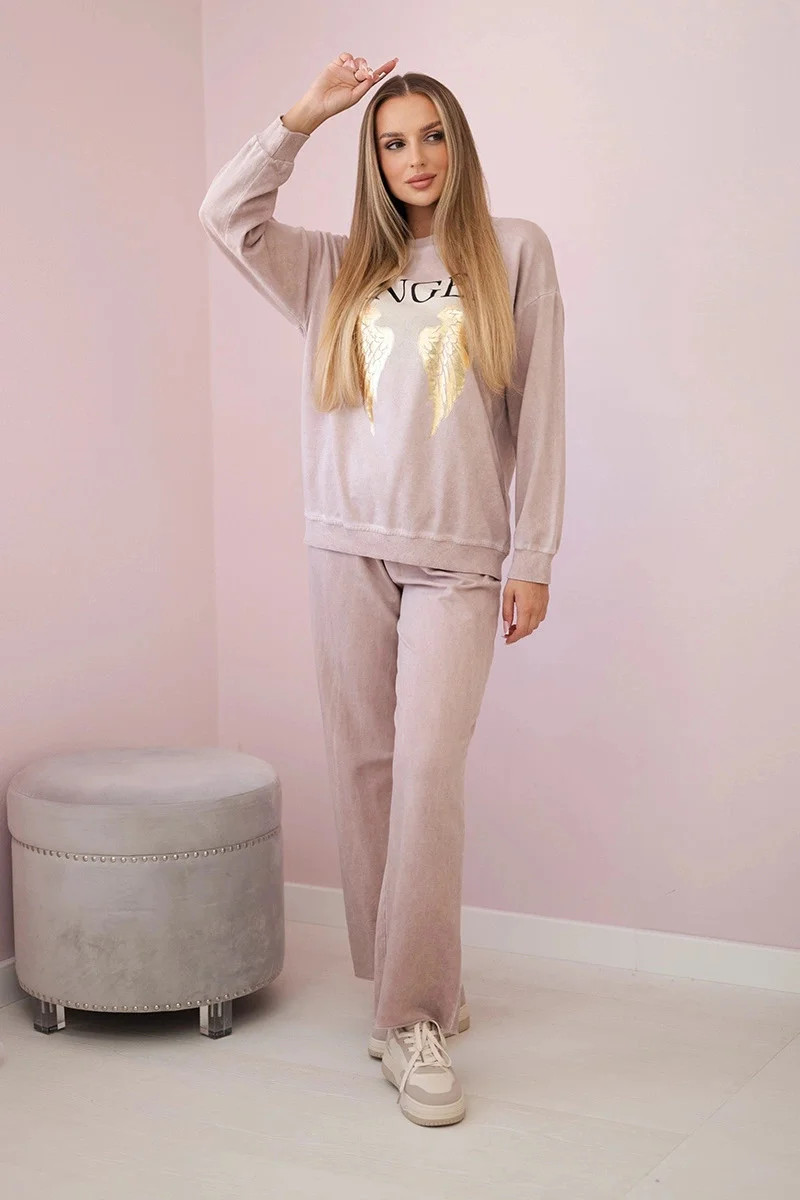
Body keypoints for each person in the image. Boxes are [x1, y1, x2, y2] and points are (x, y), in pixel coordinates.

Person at [198, 52, 566, 1128]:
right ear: (375, 156)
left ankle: (409, 1015)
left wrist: (533, 555)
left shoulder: (512, 251)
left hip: (460, 557)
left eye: (431, 136)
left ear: (458, 146)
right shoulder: (333, 266)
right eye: (394, 141)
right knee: (363, 772)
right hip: (343, 546)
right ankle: (409, 993)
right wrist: (305, 116)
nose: (416, 157)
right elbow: (225, 214)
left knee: (426, 774)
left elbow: (542, 410)